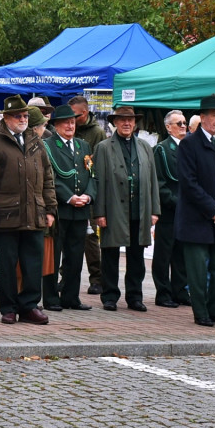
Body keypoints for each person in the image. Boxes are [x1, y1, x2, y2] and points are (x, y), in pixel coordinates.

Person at [0, 94, 57, 325]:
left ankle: (29, 306)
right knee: (7, 265)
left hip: (34, 212)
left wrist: (50, 209)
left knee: (33, 262)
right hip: (5, 213)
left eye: (25, 115)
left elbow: (48, 177)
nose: (23, 119)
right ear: (6, 118)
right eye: (18, 116)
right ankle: (8, 308)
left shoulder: (36, 141)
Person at [176, 95, 215, 327]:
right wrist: (213, 209)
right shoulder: (188, 144)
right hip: (196, 220)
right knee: (197, 270)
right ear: (202, 118)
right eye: (214, 115)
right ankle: (201, 312)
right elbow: (189, 183)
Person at [92, 106, 160, 312]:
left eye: (130, 120)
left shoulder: (144, 147)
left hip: (139, 208)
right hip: (113, 208)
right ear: (115, 122)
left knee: (137, 256)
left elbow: (153, 180)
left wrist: (154, 210)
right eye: (122, 120)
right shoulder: (104, 147)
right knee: (111, 254)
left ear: (135, 123)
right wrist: (99, 212)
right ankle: (110, 295)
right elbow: (98, 181)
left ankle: (135, 296)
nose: (126, 123)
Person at [42, 104, 95, 311]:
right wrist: (69, 197)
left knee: (75, 256)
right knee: (53, 256)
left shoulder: (83, 146)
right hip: (59, 209)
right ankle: (51, 298)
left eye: (73, 122)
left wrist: (89, 196)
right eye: (66, 122)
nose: (70, 125)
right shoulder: (48, 145)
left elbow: (92, 174)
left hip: (80, 210)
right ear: (56, 125)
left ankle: (71, 297)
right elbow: (49, 178)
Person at [151, 110, 190, 308]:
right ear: (168, 127)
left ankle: (180, 290)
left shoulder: (189, 148)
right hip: (169, 209)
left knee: (181, 253)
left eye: (184, 123)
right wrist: (175, 201)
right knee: (164, 253)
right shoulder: (162, 149)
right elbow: (159, 182)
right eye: (179, 123)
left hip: (186, 211)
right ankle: (163, 292)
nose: (183, 126)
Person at [68, 95, 105, 295]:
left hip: (89, 193)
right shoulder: (68, 130)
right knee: (68, 238)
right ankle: (66, 276)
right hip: (69, 194)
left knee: (90, 238)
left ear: (84, 114)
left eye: (74, 117)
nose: (70, 122)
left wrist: (92, 193)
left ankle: (97, 278)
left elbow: (97, 165)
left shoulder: (97, 133)